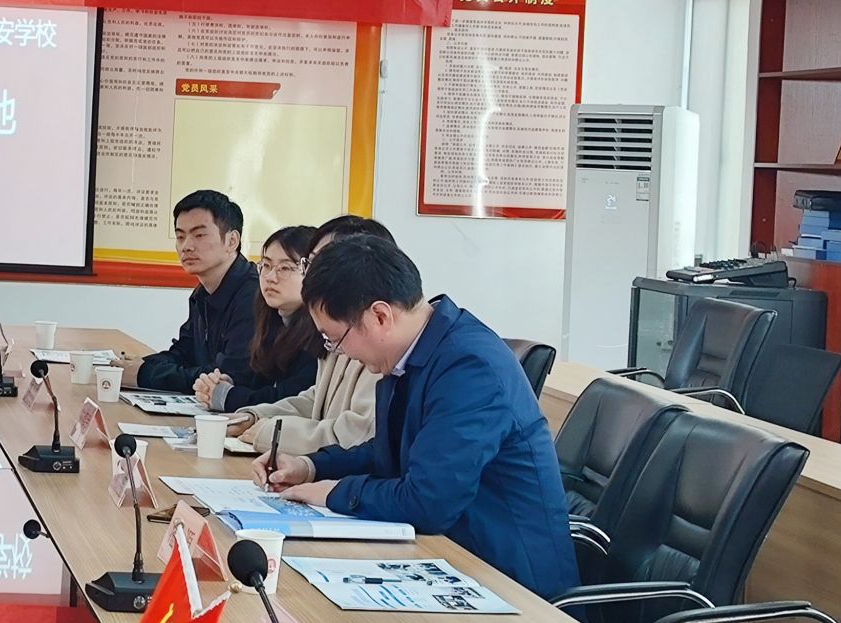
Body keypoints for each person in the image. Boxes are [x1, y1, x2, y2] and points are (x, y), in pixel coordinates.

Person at [255, 235, 576, 598]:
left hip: (512, 587)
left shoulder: (468, 367)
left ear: (380, 317)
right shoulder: (416, 352)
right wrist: (311, 466)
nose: (340, 353)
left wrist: (334, 493)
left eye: (335, 339)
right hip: (452, 560)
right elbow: (390, 450)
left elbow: (428, 502)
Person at [226, 215, 397, 454]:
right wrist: (256, 416)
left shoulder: (378, 341)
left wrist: (273, 433)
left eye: (320, 262)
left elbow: (357, 435)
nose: (309, 274)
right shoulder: (336, 325)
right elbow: (316, 402)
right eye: (310, 263)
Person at [129, 190, 258, 394]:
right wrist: (138, 365)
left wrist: (144, 374)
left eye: (199, 235)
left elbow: (228, 375)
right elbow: (183, 354)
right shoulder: (202, 293)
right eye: (180, 237)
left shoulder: (253, 295)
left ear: (232, 241)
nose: (186, 246)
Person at [192, 225, 322, 414]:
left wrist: (228, 397)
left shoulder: (321, 334)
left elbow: (289, 401)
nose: (270, 277)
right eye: (266, 265)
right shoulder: (273, 321)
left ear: (313, 272)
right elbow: (260, 382)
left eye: (285, 268)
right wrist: (224, 385)